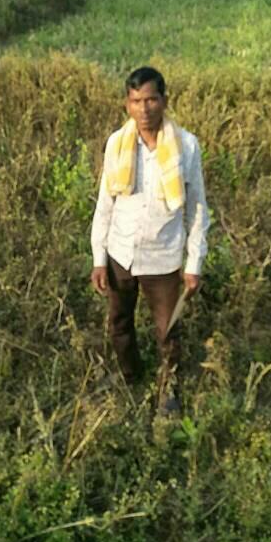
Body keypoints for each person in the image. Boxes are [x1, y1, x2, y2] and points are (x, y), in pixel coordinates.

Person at [90, 66, 210, 415]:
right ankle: (130, 375)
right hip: (121, 253)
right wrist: (99, 258)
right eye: (136, 101)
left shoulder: (186, 146)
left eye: (151, 100)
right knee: (119, 322)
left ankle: (169, 389)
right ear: (127, 104)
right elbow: (105, 204)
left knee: (167, 330)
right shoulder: (117, 143)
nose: (144, 109)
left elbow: (197, 208)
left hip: (163, 257)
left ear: (164, 101)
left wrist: (194, 263)